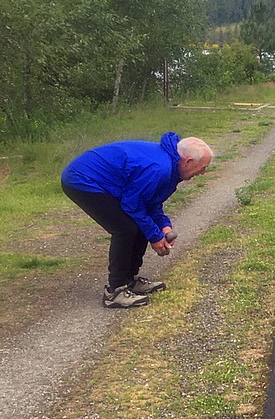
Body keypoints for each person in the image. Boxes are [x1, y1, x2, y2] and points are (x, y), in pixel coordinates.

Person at [61, 132, 213, 308]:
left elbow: (150, 201)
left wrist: (163, 227)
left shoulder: (170, 166)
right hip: (82, 179)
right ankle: (115, 291)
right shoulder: (160, 168)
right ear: (188, 161)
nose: (203, 172)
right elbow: (133, 205)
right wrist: (155, 238)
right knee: (125, 229)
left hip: (104, 181)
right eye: (203, 167)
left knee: (139, 224)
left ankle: (129, 281)